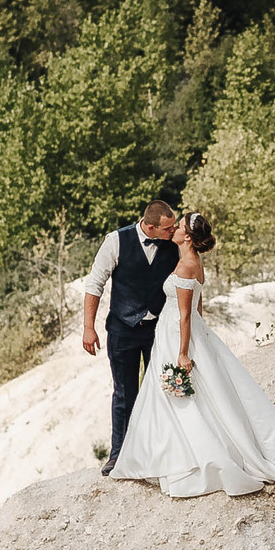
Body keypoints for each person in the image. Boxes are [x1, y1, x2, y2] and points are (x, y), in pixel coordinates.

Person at [108, 211, 275, 503]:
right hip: (178, 333)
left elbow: (186, 314)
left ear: (187, 237)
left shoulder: (186, 266)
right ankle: (165, 453)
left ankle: (187, 456)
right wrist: (199, 340)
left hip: (176, 336)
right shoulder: (192, 262)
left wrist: (182, 352)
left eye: (178, 227)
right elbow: (197, 309)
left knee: (181, 398)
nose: (174, 229)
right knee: (185, 396)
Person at [81, 199, 182, 470]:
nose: (172, 231)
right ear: (150, 227)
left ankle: (161, 451)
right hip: (122, 329)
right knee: (125, 393)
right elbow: (95, 283)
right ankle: (119, 455)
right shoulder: (116, 241)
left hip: (159, 330)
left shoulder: (175, 245)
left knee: (162, 389)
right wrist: (88, 327)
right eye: (167, 228)